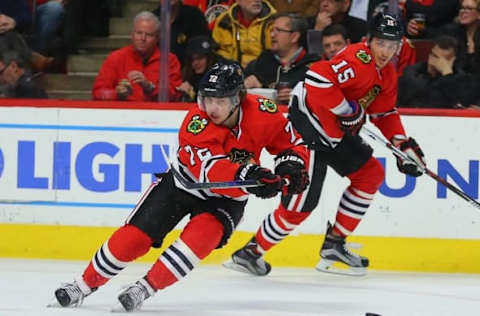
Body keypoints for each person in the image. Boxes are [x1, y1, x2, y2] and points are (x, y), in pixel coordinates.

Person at [53, 62, 310, 312]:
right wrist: (250, 175)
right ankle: (83, 284)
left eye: (220, 100)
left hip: (226, 200)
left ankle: (144, 288)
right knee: (135, 238)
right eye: (207, 99)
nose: (212, 108)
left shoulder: (263, 111)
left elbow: (290, 142)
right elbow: (208, 168)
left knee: (198, 240)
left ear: (238, 98)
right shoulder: (195, 121)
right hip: (183, 184)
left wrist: (291, 166)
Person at [226, 13, 426, 277]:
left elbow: (384, 113)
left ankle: (334, 244)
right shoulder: (358, 58)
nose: (386, 51)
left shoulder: (386, 73)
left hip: (334, 133)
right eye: (381, 43)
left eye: (393, 45)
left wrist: (402, 145)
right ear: (368, 42)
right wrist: (346, 109)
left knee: (370, 174)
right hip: (307, 129)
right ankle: (249, 253)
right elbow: (317, 78)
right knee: (298, 207)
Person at [92, 11, 182, 102]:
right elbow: (98, 93)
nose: (143, 38)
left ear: (157, 38)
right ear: (132, 35)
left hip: (156, 114)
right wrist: (116, 94)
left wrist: (150, 87)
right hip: (123, 114)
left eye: (149, 35)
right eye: (139, 33)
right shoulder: (116, 58)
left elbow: (176, 95)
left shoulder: (169, 60)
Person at [243, 13, 320, 104]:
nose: (272, 35)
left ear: (294, 37)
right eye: (272, 30)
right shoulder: (263, 59)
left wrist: (298, 97)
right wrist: (246, 84)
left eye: (278, 30)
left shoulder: (313, 65)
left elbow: (320, 98)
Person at [398, 35, 477, 108]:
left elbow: (462, 101)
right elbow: (429, 97)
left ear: (452, 61)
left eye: (442, 61)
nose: (434, 62)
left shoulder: (461, 78)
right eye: (434, 56)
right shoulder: (412, 73)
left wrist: (447, 73)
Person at [212, 0, 277, 68]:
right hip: (231, 71)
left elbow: (279, 56)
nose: (257, 0)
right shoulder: (224, 21)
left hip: (264, 72)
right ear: (238, 1)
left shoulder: (274, 21)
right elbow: (216, 52)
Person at [152, 0, 210, 66]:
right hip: (157, 70)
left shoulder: (195, 16)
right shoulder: (150, 19)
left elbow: (203, 52)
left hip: (188, 70)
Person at [176, 35, 229, 102]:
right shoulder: (188, 75)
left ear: (209, 59)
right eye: (192, 59)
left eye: (200, 58)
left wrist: (195, 94)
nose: (195, 63)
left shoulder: (224, 72)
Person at [441, 0, 480, 74]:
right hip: (453, 81)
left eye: (469, 8)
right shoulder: (450, 33)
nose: (463, 11)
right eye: (462, 8)